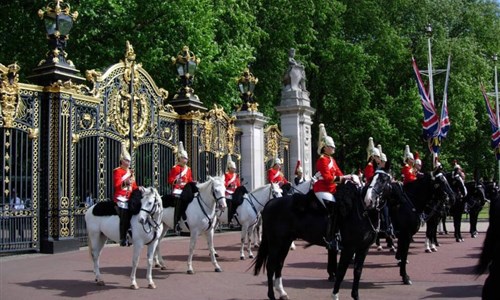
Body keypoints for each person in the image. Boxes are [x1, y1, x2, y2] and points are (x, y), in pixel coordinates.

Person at [313, 123, 352, 250]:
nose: (333, 149)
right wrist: (343, 178)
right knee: (333, 209)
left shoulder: (332, 160)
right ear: (325, 148)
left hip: (332, 189)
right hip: (322, 188)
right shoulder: (322, 160)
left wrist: (348, 177)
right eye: (331, 147)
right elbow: (328, 178)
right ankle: (330, 238)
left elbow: (339, 173)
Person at [113, 144, 138, 247]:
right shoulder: (117, 171)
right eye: (126, 161)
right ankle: (123, 238)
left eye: (129, 161)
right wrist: (126, 182)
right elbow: (117, 184)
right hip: (121, 197)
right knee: (124, 213)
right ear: (122, 160)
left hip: (129, 197)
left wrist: (140, 189)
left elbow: (134, 186)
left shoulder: (131, 172)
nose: (128, 163)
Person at [168, 141, 193, 232]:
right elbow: (170, 180)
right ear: (180, 158)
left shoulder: (188, 169)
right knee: (179, 201)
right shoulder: (175, 168)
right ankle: (176, 223)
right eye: (184, 158)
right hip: (177, 190)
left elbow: (189, 180)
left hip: (186, 190)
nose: (186, 160)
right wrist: (176, 181)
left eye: (186, 158)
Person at [225, 155, 241, 225]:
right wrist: (228, 185)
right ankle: (229, 219)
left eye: (234, 168)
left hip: (234, 192)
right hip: (228, 193)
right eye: (233, 168)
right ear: (229, 168)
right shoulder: (226, 175)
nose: (234, 170)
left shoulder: (236, 175)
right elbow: (224, 183)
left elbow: (238, 184)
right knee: (230, 206)